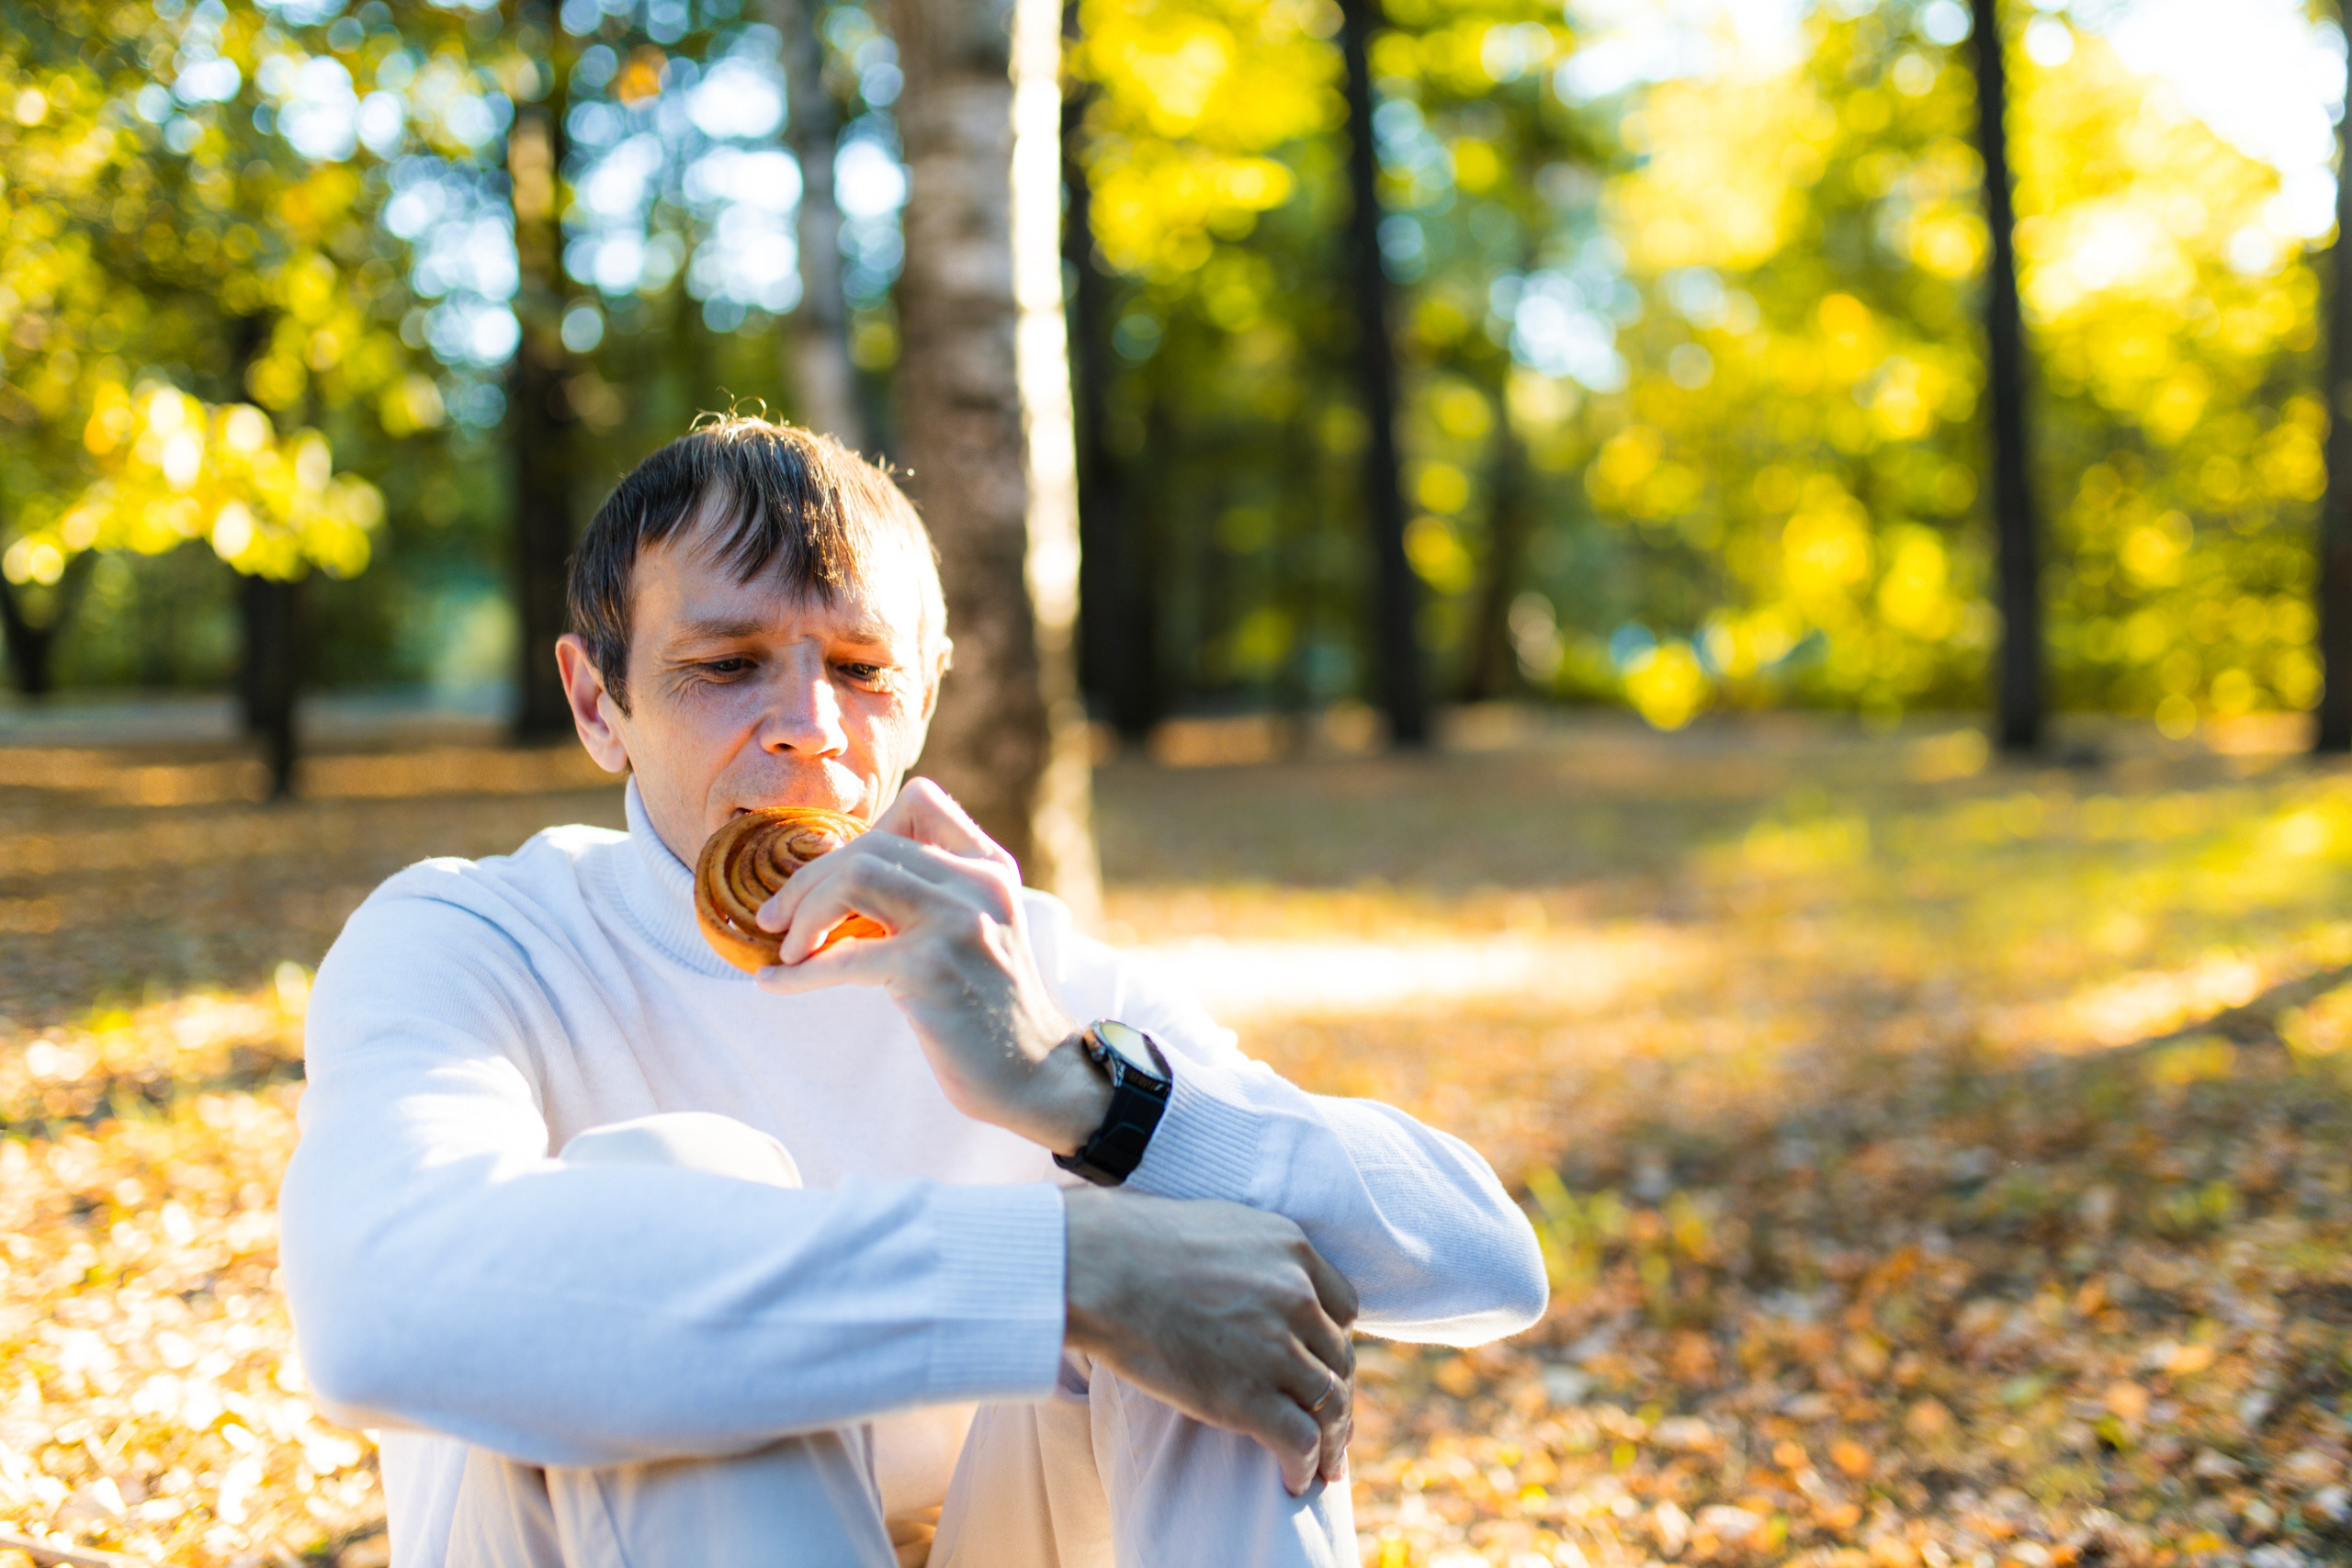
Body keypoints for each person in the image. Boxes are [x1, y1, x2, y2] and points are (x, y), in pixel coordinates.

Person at [278, 417, 1548, 1568]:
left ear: (929, 692)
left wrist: (1090, 1097)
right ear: (596, 701)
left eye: (863, 668)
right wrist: (1061, 1271)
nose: (810, 727)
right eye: (725, 664)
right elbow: (372, 1305)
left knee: (1200, 1259)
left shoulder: (1009, 960)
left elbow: (1486, 1261)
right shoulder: (475, 936)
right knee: (679, 1182)